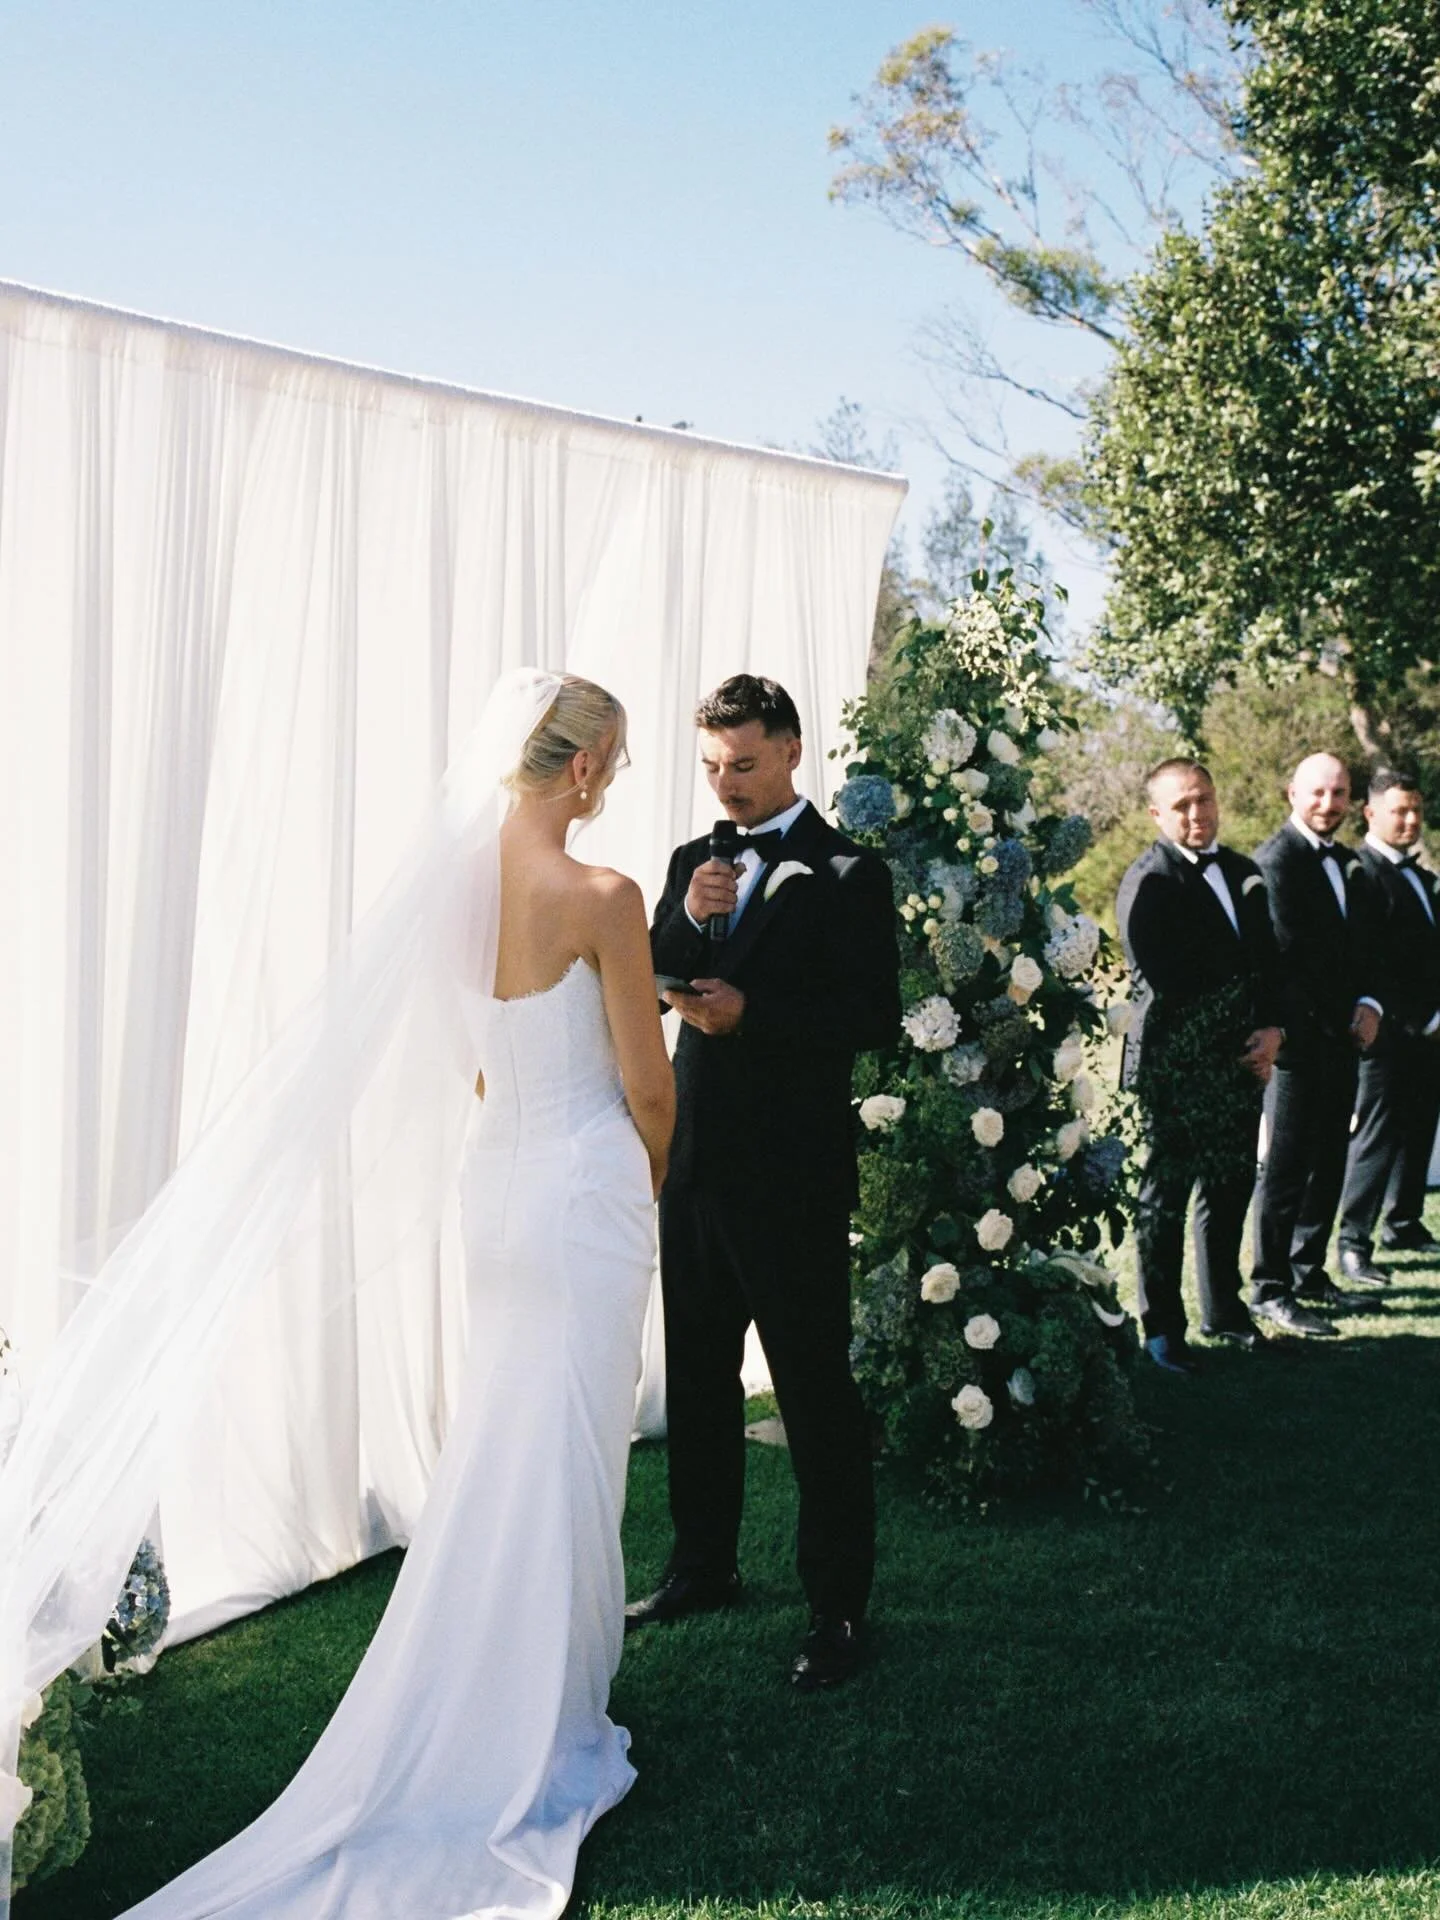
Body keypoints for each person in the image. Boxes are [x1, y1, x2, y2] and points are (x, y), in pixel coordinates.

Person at [33, 673, 676, 1920]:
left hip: (497, 1187)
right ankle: (542, 1717)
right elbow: (648, 1088)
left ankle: (506, 1692)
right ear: (587, 765)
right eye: (619, 759)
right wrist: (642, 1175)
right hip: (583, 1189)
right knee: (565, 1453)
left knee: (506, 1443)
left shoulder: (453, 893)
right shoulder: (602, 896)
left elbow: (477, 1069)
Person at [628, 673, 900, 1691]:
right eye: (711, 766)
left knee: (813, 1391)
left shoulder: (849, 871)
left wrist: (758, 1016)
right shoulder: (689, 861)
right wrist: (684, 928)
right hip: (694, 1165)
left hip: (792, 1175)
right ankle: (702, 1567)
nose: (726, 784)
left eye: (743, 764)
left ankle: (837, 1608)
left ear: (790, 750)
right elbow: (644, 979)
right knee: (698, 1381)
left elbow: (872, 1016)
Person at [1115, 759, 1285, 1373]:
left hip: (1245, 1061)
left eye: (1204, 799)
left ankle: (1225, 1312)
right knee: (1166, 1197)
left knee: (1231, 1185)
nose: (1197, 813)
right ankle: (1162, 1330)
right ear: (1156, 814)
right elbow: (1166, 981)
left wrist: (1272, 1030)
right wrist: (1230, 1041)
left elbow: (1269, 960)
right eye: (1182, 804)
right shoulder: (1149, 881)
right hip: (1178, 1065)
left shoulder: (1243, 871)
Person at [1249, 751, 1385, 1337]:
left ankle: (1308, 1272)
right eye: (1318, 793)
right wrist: (1329, 1020)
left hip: (1344, 1042)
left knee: (1329, 1160)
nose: (1329, 804)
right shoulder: (1275, 861)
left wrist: (1370, 1004)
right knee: (1286, 1170)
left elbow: (1368, 946)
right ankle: (1270, 1286)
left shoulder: (1351, 864)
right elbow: (1286, 960)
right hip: (1298, 1043)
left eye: (1340, 793)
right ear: (1292, 795)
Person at [1336, 767, 1440, 1280]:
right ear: (1370, 813)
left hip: (1430, 1032)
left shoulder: (1423, 877)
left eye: (1416, 809)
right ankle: (1353, 1241)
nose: (1411, 819)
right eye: (1400, 810)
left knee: (1420, 1127)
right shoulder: (1361, 873)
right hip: (1386, 1031)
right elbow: (1371, 959)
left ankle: (1404, 1221)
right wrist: (1415, 1017)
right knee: (1376, 1136)